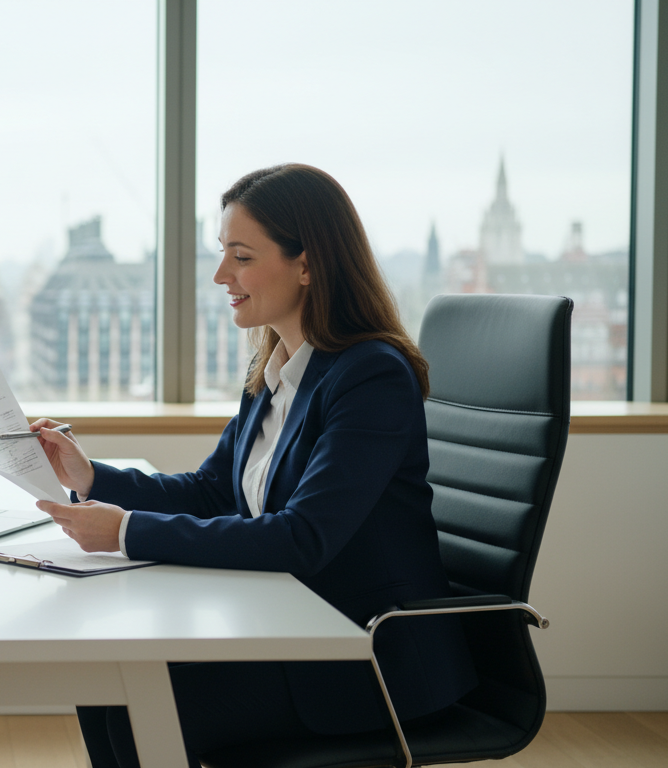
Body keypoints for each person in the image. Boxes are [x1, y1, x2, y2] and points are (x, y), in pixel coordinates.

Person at [31, 164, 478, 767]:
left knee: (135, 702)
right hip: (291, 629)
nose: (221, 276)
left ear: (308, 263)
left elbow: (303, 538)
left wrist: (125, 531)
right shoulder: (275, 368)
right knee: (108, 690)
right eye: (223, 254)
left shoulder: (370, 377)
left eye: (240, 257)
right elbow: (214, 489)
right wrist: (89, 477)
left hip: (365, 659)